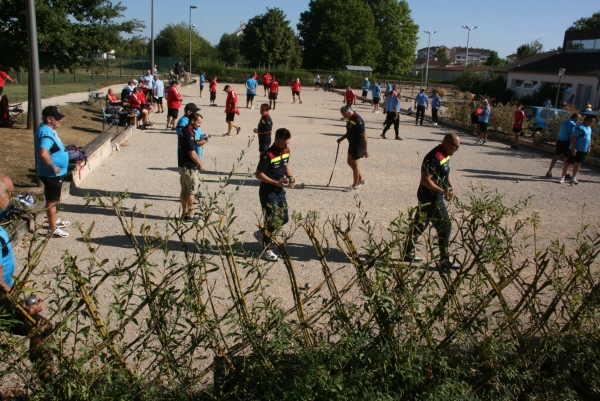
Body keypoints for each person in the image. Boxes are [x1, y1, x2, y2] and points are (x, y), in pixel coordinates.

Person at [0, 174, 54, 382]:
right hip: (4, 304)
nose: (12, 196)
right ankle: (48, 384)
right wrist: (22, 306)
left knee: (42, 327)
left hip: (7, 299)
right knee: (41, 326)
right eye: (9, 192)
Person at [403, 133, 461, 270]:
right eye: (456, 147)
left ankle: (407, 252)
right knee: (445, 226)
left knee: (420, 223)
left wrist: (450, 186)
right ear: (448, 144)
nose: (457, 150)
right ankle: (444, 259)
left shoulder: (445, 154)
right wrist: (443, 191)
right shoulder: (435, 157)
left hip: (431, 195)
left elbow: (444, 173)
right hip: (431, 197)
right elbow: (425, 179)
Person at [254, 128, 295, 262]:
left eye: (288, 143)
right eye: (284, 143)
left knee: (284, 218)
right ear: (276, 140)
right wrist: (275, 182)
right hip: (268, 192)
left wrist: (290, 177)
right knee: (271, 220)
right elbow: (258, 174)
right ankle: (266, 250)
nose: (286, 146)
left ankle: (262, 234)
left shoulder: (286, 150)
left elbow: (286, 164)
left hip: (279, 191)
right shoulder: (268, 155)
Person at [34, 106, 70, 238]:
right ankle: (52, 228)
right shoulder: (46, 133)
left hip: (55, 174)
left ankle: (54, 220)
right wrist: (52, 167)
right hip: (51, 174)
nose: (60, 120)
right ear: (49, 119)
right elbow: (43, 153)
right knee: (52, 200)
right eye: (57, 118)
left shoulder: (48, 130)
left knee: (55, 198)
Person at [177, 112, 206, 222]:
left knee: (184, 189)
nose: (200, 125)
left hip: (183, 165)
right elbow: (192, 153)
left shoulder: (185, 131)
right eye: (198, 122)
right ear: (192, 120)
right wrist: (200, 163)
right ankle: (191, 214)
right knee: (191, 191)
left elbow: (192, 144)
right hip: (189, 167)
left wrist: (202, 142)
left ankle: (185, 213)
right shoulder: (189, 133)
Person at [337, 105, 369, 192]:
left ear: (349, 113)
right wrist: (342, 138)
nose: (344, 117)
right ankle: (361, 179)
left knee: (355, 165)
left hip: (358, 145)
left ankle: (355, 186)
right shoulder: (350, 118)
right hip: (351, 144)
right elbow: (350, 131)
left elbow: (364, 136)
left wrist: (365, 150)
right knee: (349, 162)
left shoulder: (358, 120)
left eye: (344, 115)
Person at [559, 114, 596, 185]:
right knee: (568, 163)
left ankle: (573, 177)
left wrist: (589, 147)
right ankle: (562, 177)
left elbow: (589, 138)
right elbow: (573, 138)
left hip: (583, 149)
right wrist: (574, 148)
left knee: (578, 164)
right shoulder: (580, 127)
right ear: (587, 121)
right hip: (576, 149)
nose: (592, 123)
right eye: (592, 122)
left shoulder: (589, 127)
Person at [546, 113, 578, 178]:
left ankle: (549, 171)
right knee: (566, 157)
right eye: (578, 118)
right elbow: (573, 134)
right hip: (566, 141)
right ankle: (566, 172)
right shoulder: (572, 124)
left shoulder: (565, 121)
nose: (578, 120)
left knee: (556, 156)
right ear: (575, 117)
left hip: (559, 140)